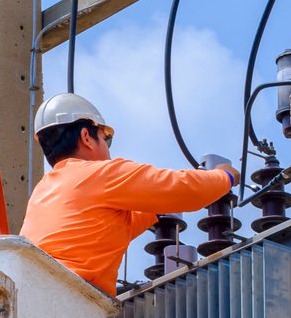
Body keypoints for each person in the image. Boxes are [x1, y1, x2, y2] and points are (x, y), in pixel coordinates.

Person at [20, 93, 240, 296]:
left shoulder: (44, 190)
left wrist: (156, 207)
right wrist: (223, 177)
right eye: (106, 138)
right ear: (86, 136)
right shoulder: (101, 174)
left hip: (37, 297)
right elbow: (182, 189)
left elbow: (112, 225)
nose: (108, 149)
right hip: (71, 299)